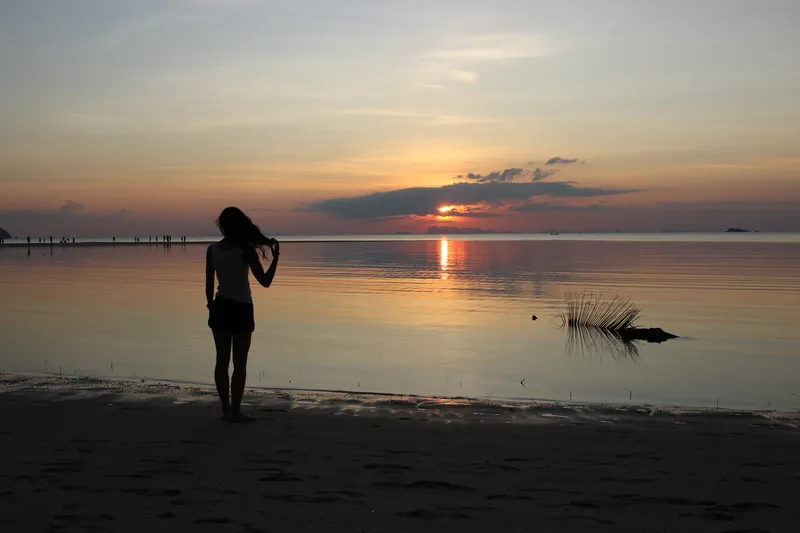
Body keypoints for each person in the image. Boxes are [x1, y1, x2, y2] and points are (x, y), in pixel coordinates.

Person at [206, 207, 280, 422]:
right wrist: (275, 260)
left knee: (221, 361)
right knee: (239, 363)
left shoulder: (212, 250)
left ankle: (225, 410)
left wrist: (211, 306)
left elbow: (209, 284)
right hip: (241, 309)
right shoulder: (245, 250)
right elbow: (265, 282)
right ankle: (235, 411)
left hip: (220, 307)